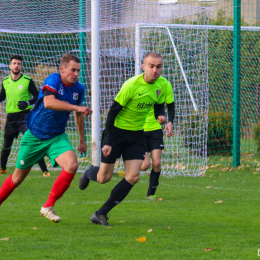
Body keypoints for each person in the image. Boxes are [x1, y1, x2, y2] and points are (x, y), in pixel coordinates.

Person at [79, 52, 175, 226]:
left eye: (158, 67)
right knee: (103, 178)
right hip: (116, 133)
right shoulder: (131, 85)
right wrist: (107, 141)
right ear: (143, 67)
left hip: (136, 135)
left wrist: (161, 117)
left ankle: (101, 214)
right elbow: (112, 112)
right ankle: (89, 172)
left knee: (133, 177)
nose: (155, 70)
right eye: (151, 66)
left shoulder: (162, 85)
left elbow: (159, 104)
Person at [0, 53, 92, 223]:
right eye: (73, 70)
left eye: (78, 71)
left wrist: (82, 140)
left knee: (72, 165)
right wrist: (75, 108)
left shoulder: (79, 89)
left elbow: (79, 115)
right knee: (17, 178)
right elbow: (49, 102)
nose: (76, 74)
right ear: (62, 69)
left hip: (56, 137)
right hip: (34, 136)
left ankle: (48, 207)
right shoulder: (53, 79)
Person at [0, 55, 50, 177]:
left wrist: (27, 103)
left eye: (19, 63)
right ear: (10, 66)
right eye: (14, 63)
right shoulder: (5, 81)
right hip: (11, 118)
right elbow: (2, 97)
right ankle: (3, 168)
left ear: (21, 66)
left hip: (25, 118)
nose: (16, 66)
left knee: (33, 142)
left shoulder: (27, 80)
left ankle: (44, 170)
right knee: (6, 145)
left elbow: (38, 96)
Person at [140, 80, 175, 200]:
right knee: (145, 165)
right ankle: (131, 162)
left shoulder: (165, 84)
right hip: (140, 129)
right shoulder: (139, 84)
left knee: (156, 163)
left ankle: (151, 193)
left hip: (155, 130)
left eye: (158, 67)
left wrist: (170, 122)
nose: (155, 70)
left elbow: (170, 105)